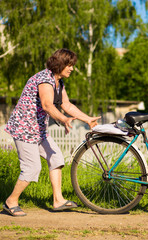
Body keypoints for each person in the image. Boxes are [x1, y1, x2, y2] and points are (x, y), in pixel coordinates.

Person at [3, 48, 101, 217]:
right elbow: (47, 104)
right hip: (24, 129)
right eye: (69, 65)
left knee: (56, 158)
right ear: (59, 64)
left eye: (72, 65)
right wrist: (64, 119)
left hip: (39, 130)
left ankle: (58, 200)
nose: (71, 68)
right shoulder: (44, 79)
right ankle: (10, 201)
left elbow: (67, 105)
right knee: (32, 168)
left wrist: (87, 119)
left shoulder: (58, 83)